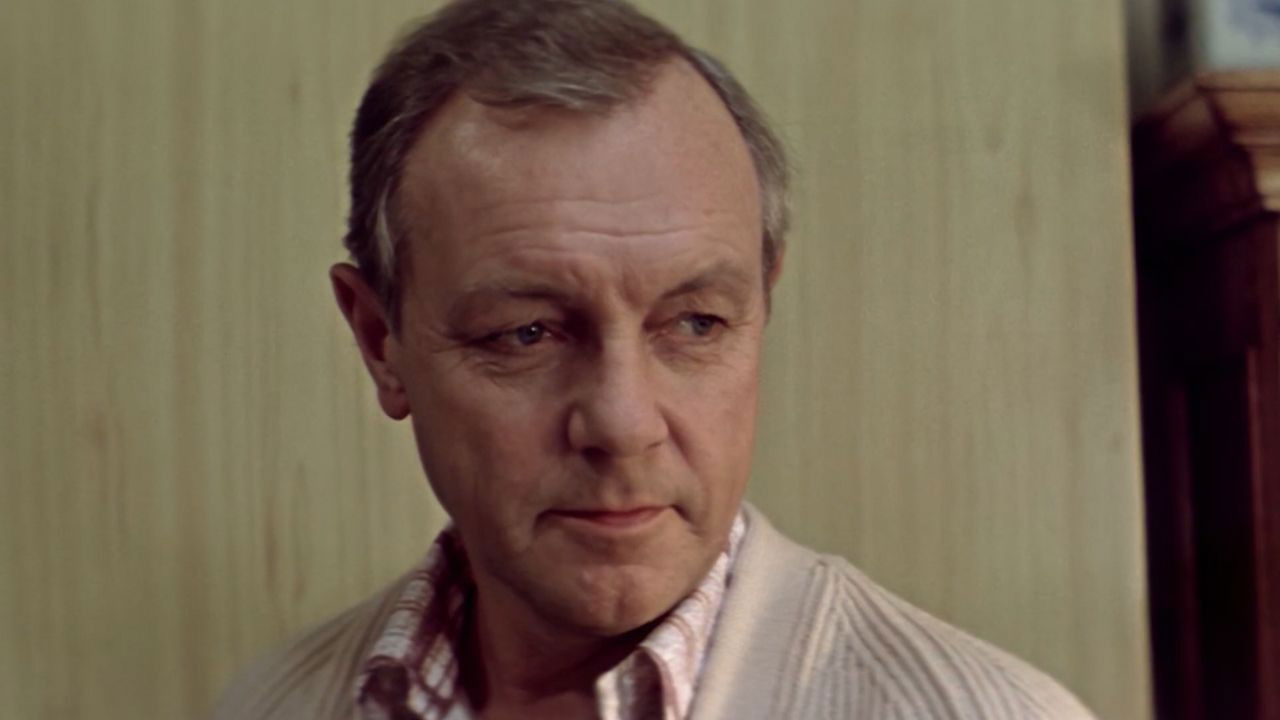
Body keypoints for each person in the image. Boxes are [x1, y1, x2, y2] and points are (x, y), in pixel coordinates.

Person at [213, 1, 1096, 718]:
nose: (624, 423)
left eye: (696, 324)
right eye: (527, 333)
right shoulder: (271, 705)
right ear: (380, 341)